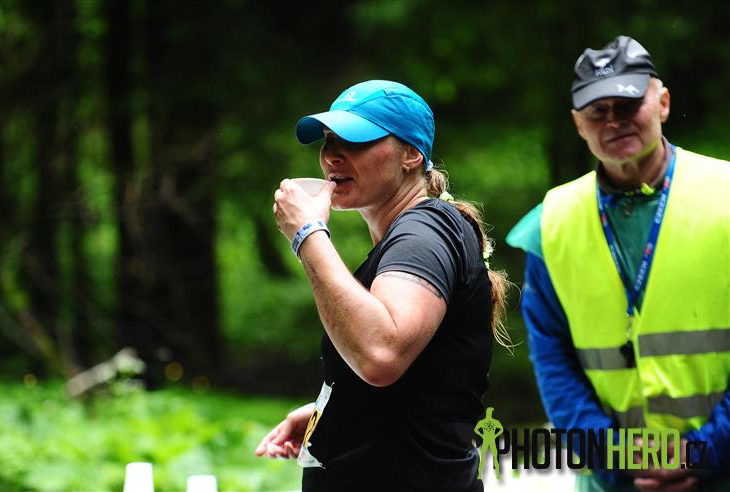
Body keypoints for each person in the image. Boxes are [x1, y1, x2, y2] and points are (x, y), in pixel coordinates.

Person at [254, 79, 510, 491]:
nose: (332, 155)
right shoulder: (408, 237)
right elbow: (418, 383)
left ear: (411, 154)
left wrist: (307, 234)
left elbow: (381, 354)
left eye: (356, 141)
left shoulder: (425, 231)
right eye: (329, 141)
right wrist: (337, 409)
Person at [506, 36, 730, 492]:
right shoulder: (551, 223)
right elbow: (553, 360)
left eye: (628, 105)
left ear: (663, 103)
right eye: (597, 111)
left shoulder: (724, 196)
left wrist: (706, 451)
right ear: (578, 124)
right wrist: (616, 458)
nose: (614, 121)